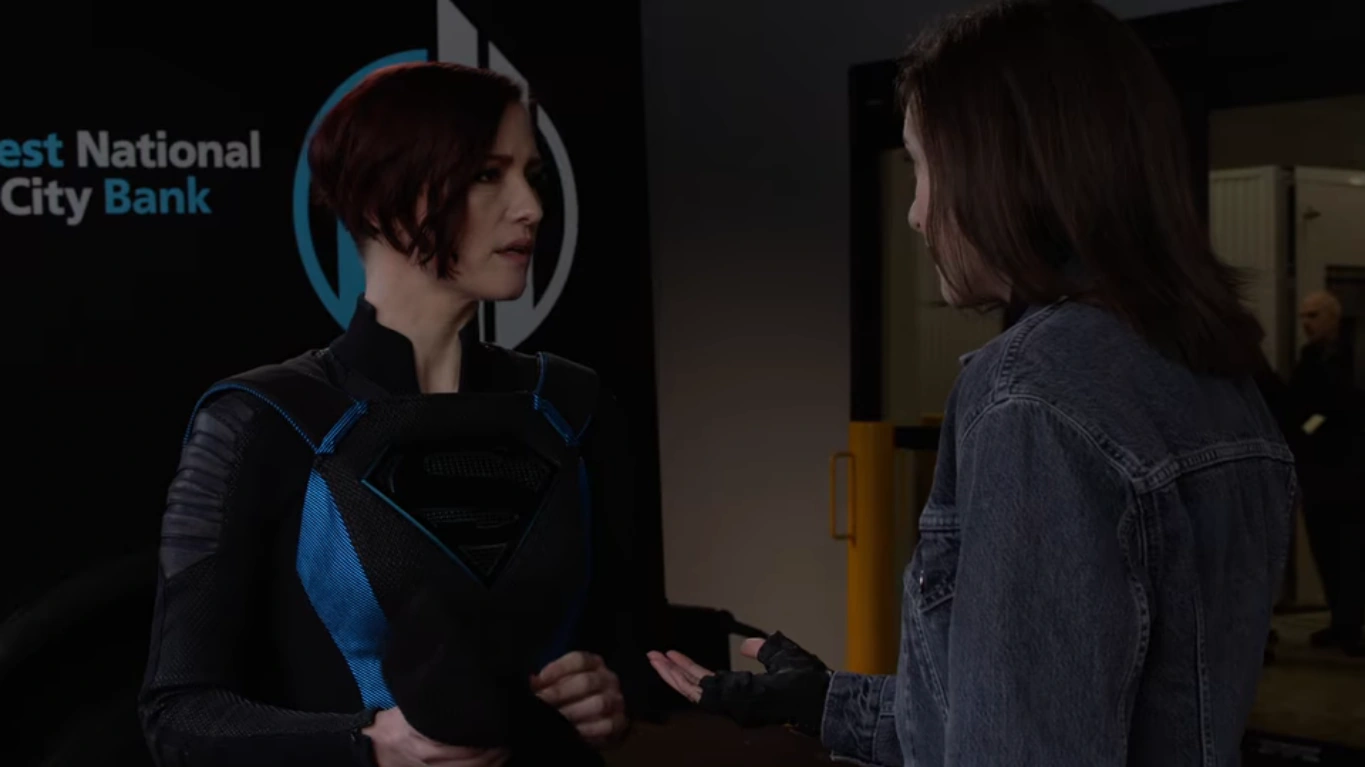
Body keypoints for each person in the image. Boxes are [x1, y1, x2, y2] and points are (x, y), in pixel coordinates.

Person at [648, 1, 1297, 764]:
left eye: (921, 167)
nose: (915, 213)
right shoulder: (1219, 376)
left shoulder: (1032, 395)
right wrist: (823, 700)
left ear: (1005, 169)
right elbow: (1050, 707)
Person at [138, 62, 655, 767]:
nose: (530, 207)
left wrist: (608, 693)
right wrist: (367, 744)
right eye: (487, 175)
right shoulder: (261, 419)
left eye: (531, 176)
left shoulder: (572, 405)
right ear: (385, 198)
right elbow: (177, 714)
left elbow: (629, 650)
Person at [1289, 290, 1364, 655]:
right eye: (1304, 316)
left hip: (1347, 469)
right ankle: (1341, 621)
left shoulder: (1351, 358)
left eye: (1314, 315)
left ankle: (1350, 624)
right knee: (1327, 548)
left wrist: (1307, 428)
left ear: (1333, 317)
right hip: (1319, 469)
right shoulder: (1309, 359)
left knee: (1348, 549)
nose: (1306, 323)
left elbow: (1334, 409)